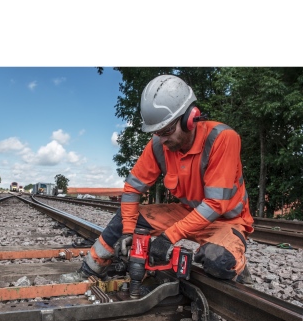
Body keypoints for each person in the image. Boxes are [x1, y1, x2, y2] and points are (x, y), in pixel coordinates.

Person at [60, 74, 254, 293]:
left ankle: (240, 264)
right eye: (156, 133)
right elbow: (133, 189)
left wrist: (168, 237)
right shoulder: (158, 146)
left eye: (167, 131)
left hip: (226, 221)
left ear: (190, 119)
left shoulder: (222, 139)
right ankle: (90, 270)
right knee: (122, 219)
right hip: (187, 213)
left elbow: (215, 204)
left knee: (218, 262)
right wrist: (129, 231)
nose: (161, 139)